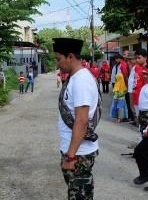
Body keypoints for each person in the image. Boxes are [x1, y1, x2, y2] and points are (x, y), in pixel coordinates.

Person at [53, 38, 100, 200]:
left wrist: (71, 155)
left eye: (59, 59)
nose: (58, 64)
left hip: (79, 153)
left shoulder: (81, 80)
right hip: (74, 150)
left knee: (79, 196)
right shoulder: (74, 78)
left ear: (70, 56)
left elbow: (82, 120)